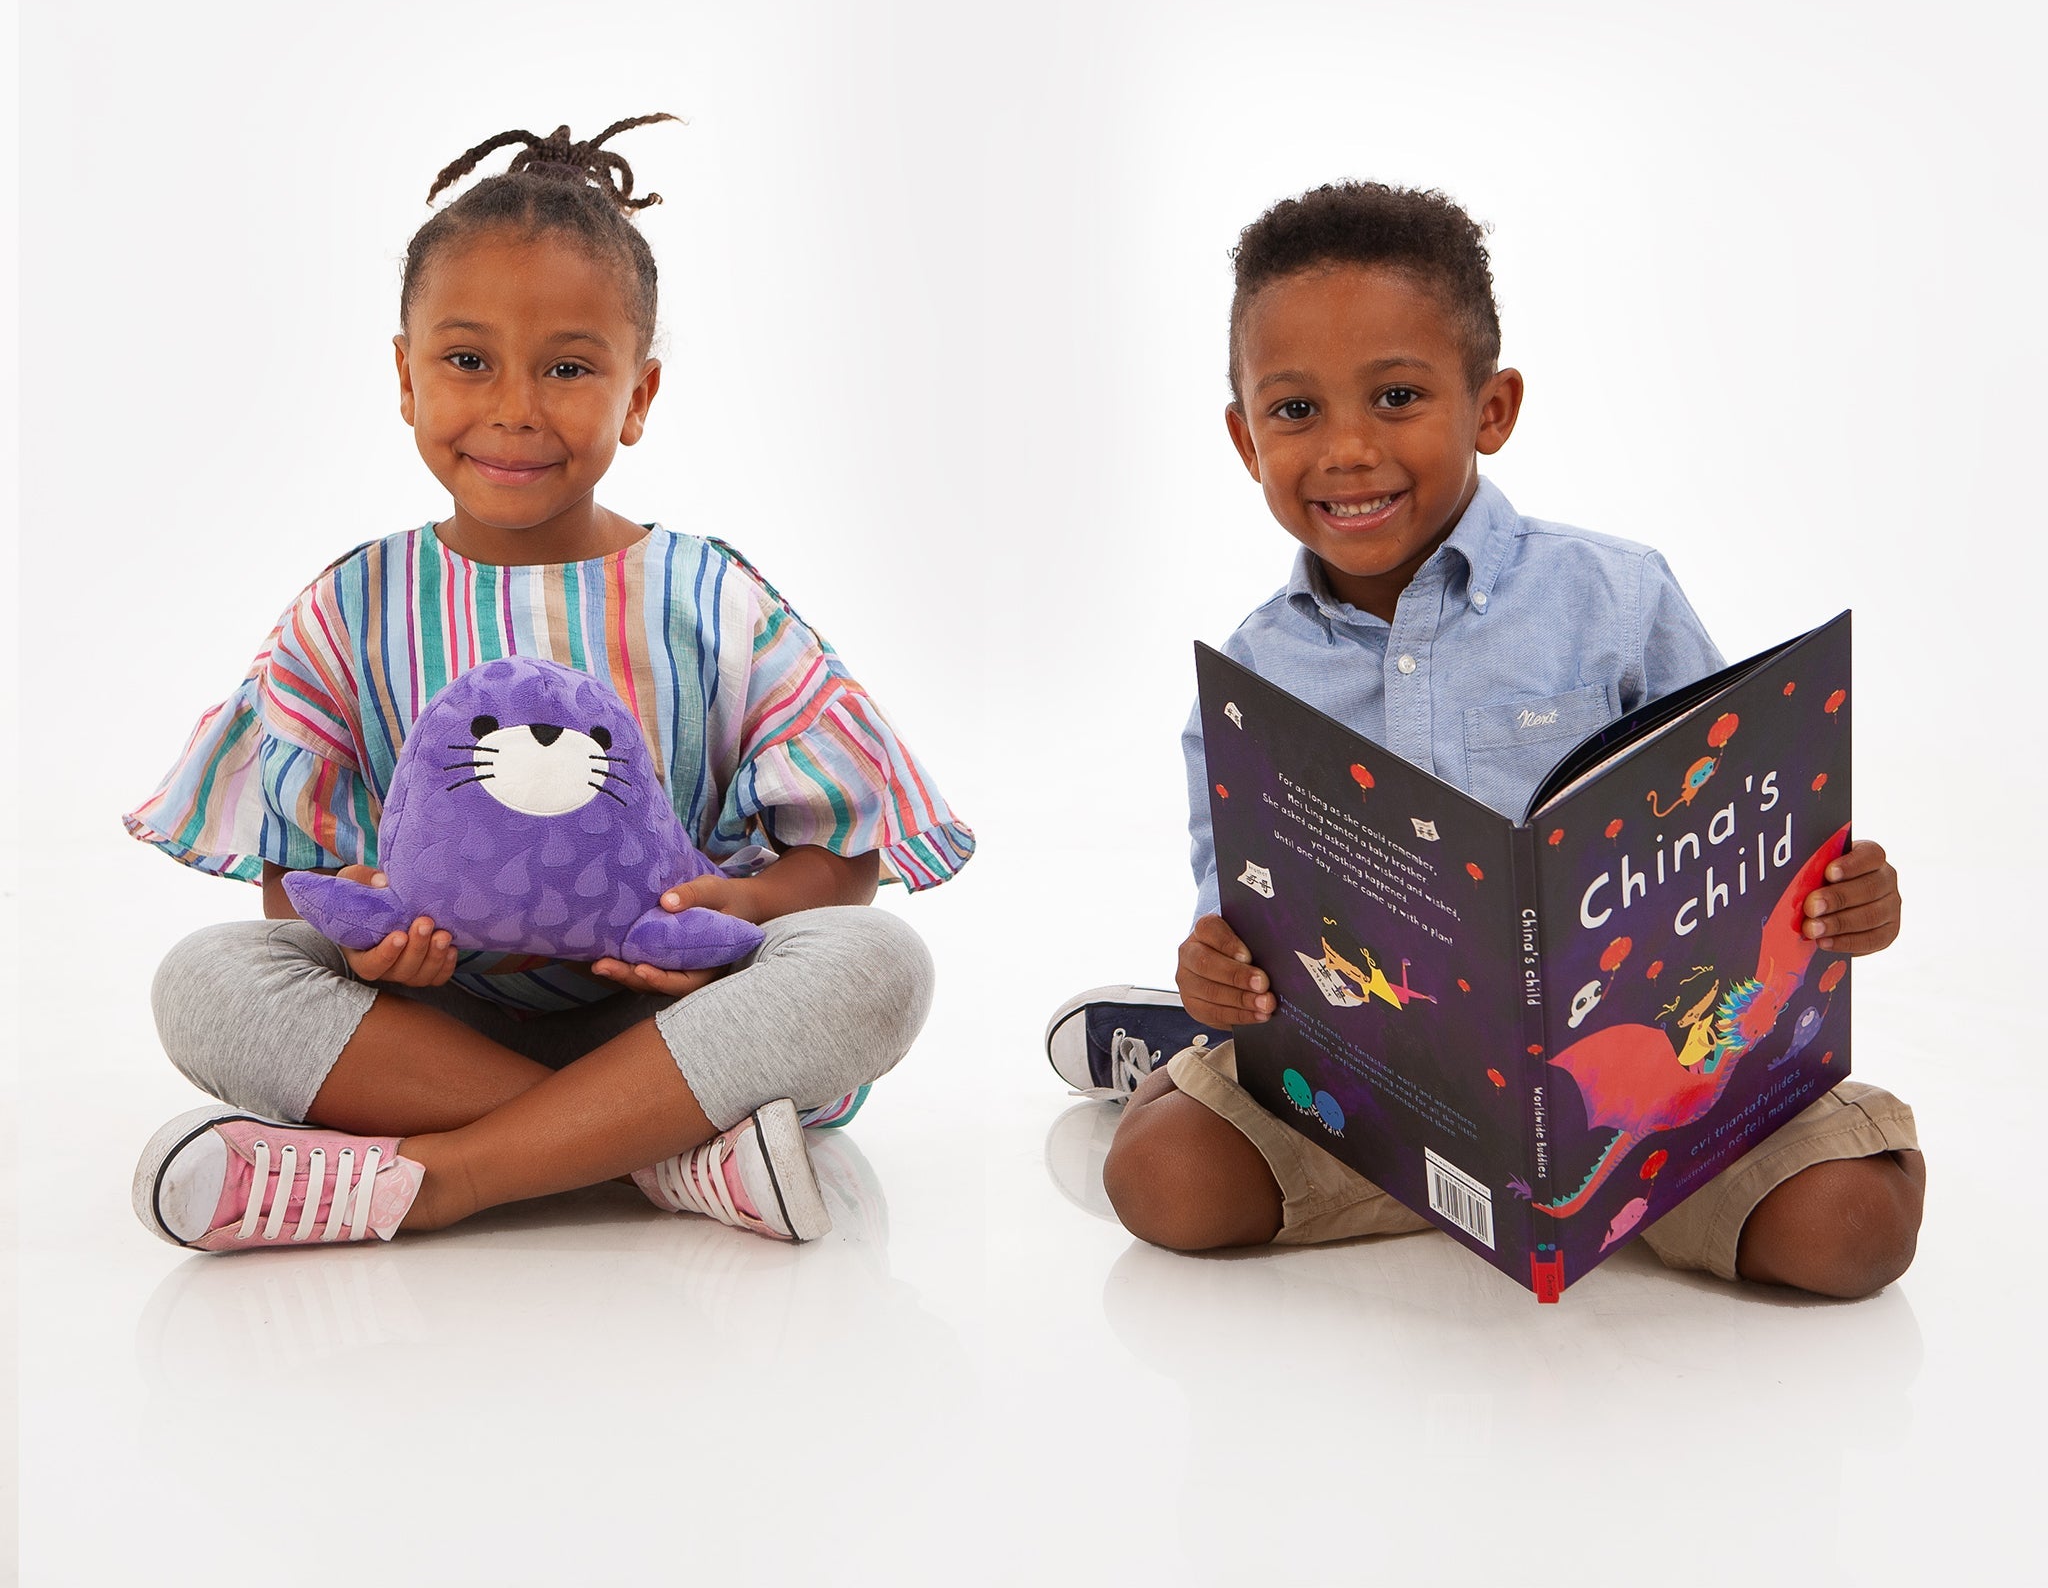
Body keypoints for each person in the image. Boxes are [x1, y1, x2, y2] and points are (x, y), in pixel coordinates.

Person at [127, 117, 972, 1252]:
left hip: (673, 1024)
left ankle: (445, 1176)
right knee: (208, 980)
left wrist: (748, 909)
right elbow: (298, 880)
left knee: (877, 966)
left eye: (569, 368)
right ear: (405, 375)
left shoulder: (710, 599)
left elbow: (846, 856)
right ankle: (659, 1154)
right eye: (467, 360)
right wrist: (370, 943)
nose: (516, 407)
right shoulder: (355, 605)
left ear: (639, 394)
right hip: (435, 1031)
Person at [1078, 182, 1922, 1298]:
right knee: (1163, 1182)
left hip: (1655, 1085)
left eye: (1395, 396)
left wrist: (1840, 897)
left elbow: (1746, 820)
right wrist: (1212, 973)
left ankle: (1591, 1186)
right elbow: (1232, 905)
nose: (1345, 448)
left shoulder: (1615, 596)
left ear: (1491, 407)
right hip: (1377, 1093)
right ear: (1243, 437)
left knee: (1850, 1231)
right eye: (1294, 410)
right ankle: (1160, 1054)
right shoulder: (1248, 678)